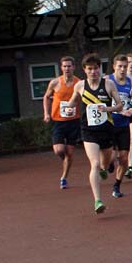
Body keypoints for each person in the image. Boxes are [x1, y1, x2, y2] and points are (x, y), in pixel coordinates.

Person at [65, 53, 125, 213]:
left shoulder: (108, 84)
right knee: (95, 164)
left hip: (106, 129)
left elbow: (119, 106)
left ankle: (106, 168)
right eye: (90, 69)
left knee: (104, 163)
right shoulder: (80, 86)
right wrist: (69, 107)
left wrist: (107, 109)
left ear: (100, 68)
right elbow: (72, 102)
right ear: (84, 70)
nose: (93, 72)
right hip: (88, 130)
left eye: (96, 68)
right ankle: (98, 200)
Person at [43, 56, 81, 189]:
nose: (67, 68)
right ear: (61, 68)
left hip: (73, 121)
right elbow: (47, 97)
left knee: (69, 153)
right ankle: (65, 160)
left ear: (74, 67)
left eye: (69, 66)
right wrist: (46, 113)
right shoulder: (55, 83)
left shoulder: (79, 83)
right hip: (58, 121)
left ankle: (64, 178)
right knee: (59, 150)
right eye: (64, 66)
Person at [107, 54, 132, 198]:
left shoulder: (131, 83)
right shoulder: (107, 81)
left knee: (124, 158)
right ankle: (109, 163)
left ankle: (117, 185)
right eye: (119, 66)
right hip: (109, 124)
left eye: (125, 67)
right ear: (114, 67)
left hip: (123, 124)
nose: (122, 69)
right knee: (111, 156)